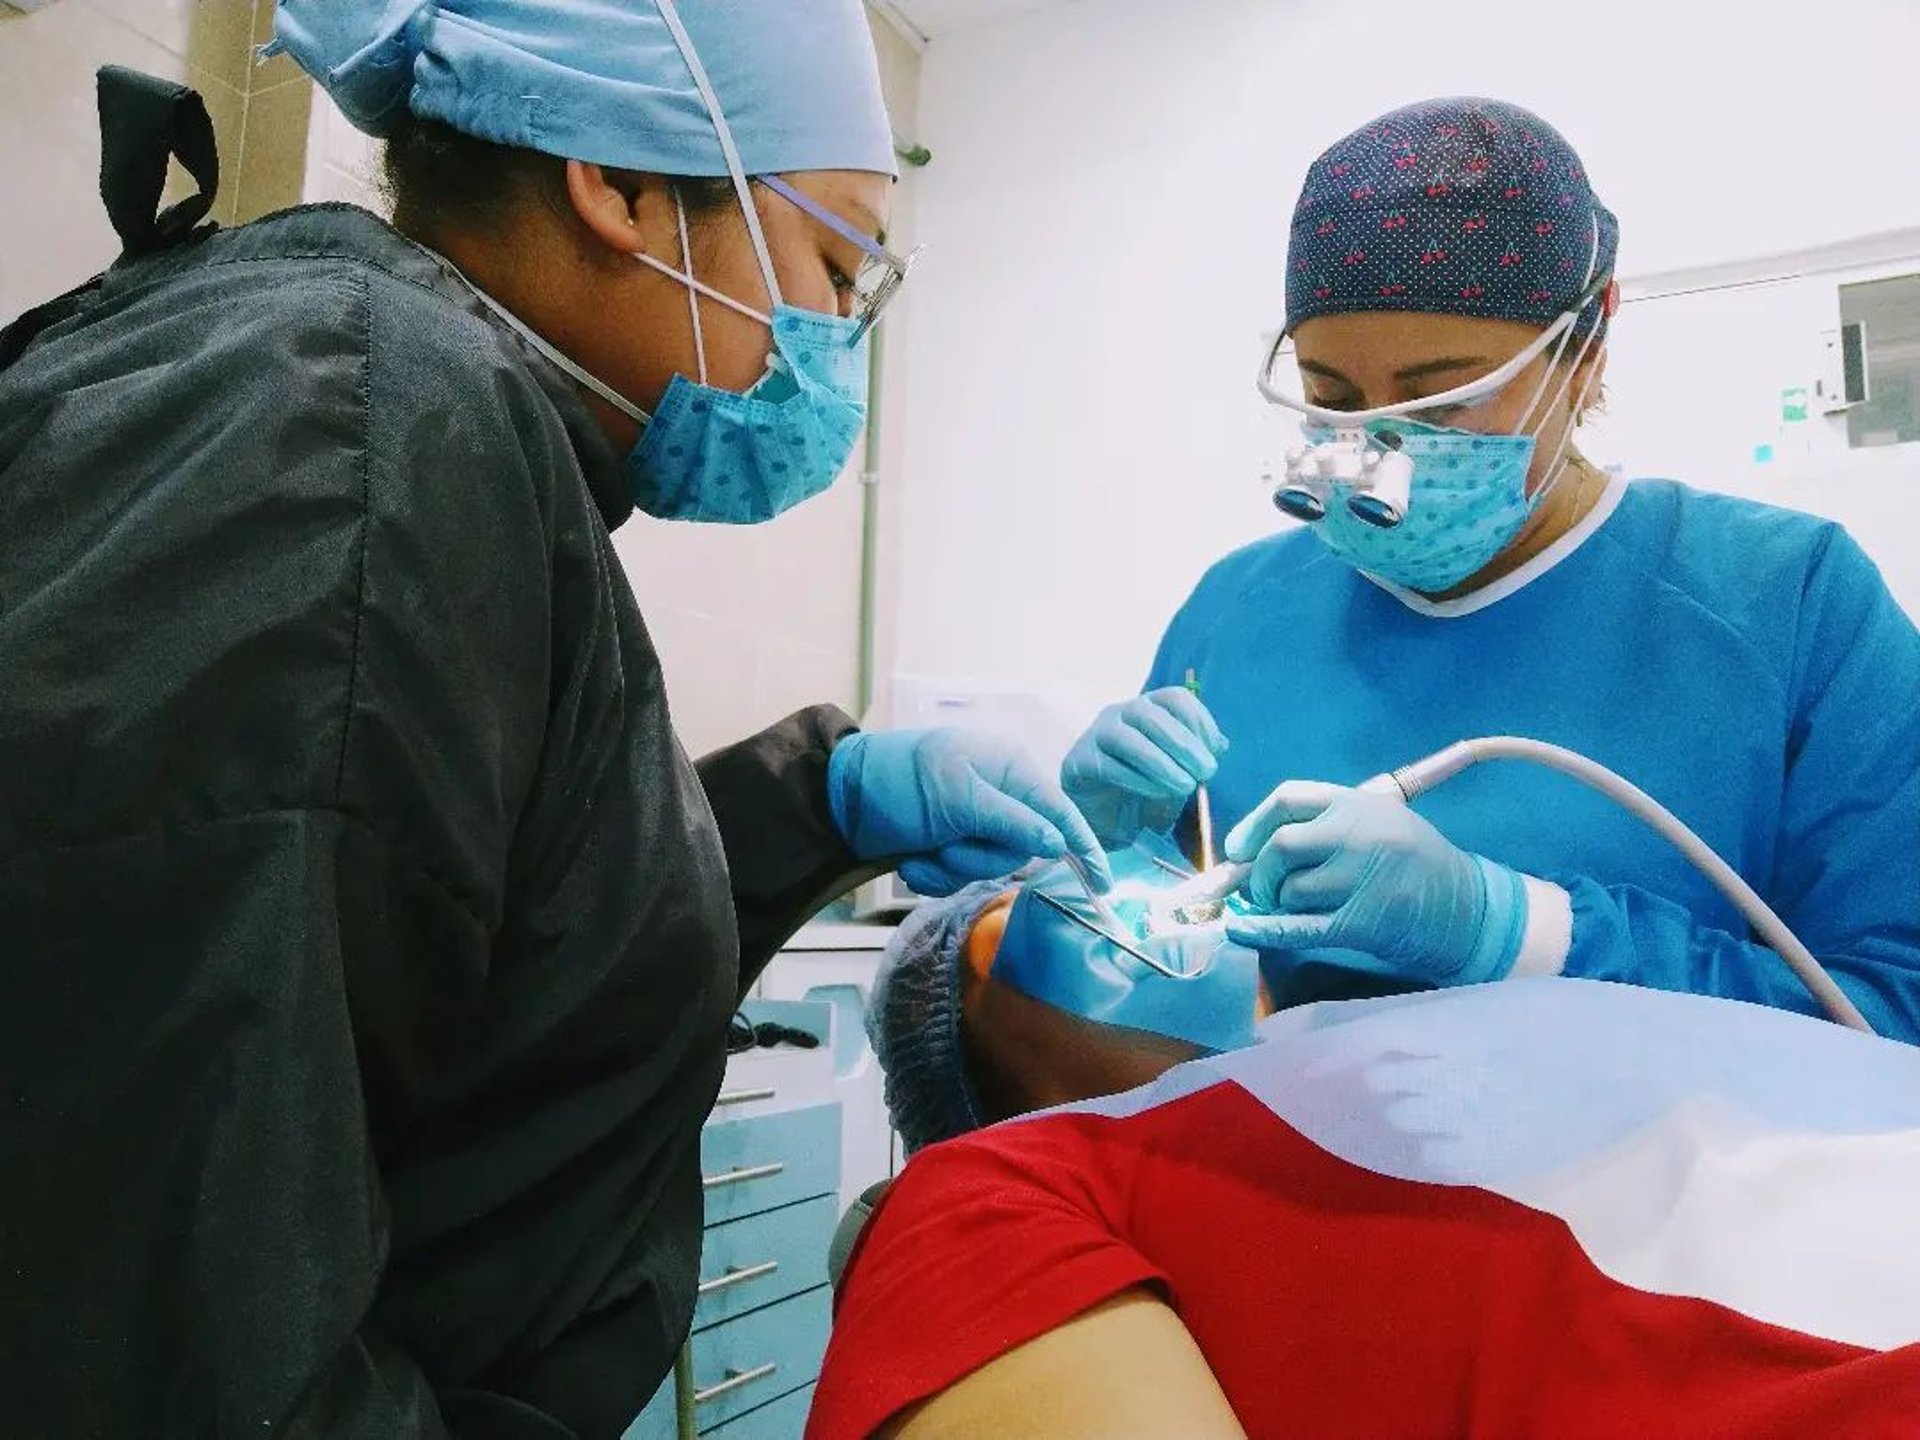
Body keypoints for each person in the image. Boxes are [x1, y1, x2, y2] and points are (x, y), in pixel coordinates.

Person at [0, 4, 1107, 1436]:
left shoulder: (427, 427)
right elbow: (175, 1322)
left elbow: (480, 927)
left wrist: (819, 796)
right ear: (622, 186)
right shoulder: (348, 435)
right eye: (837, 268)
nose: (837, 340)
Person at [1061, 97, 1920, 1040]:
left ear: (1586, 348)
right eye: (1331, 396)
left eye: (1441, 404)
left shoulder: (1790, 604)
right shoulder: (1234, 608)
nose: (1378, 450)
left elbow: (1895, 1013)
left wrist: (1514, 930)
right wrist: (1103, 858)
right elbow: (1149, 982)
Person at [807, 862, 1920, 1438]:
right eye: (1028, 928)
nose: (1127, 891)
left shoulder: (1385, 1063)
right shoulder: (998, 1189)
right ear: (1006, 1095)